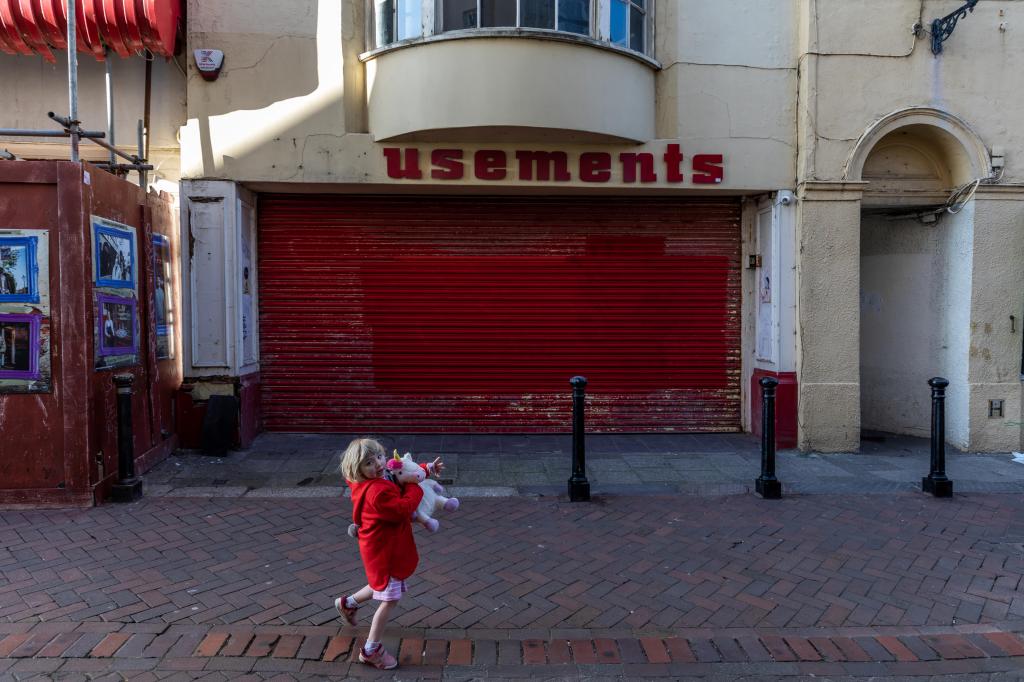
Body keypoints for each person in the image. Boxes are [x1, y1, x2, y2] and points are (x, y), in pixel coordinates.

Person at [335, 438, 445, 670]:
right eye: (368, 462)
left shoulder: (374, 480)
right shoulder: (378, 492)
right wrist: (416, 486)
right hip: (386, 552)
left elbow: (400, 473)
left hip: (379, 549)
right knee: (390, 599)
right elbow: (403, 509)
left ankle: (348, 603)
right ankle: (371, 650)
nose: (378, 464)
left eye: (379, 456)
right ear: (358, 470)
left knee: (382, 584)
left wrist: (425, 469)